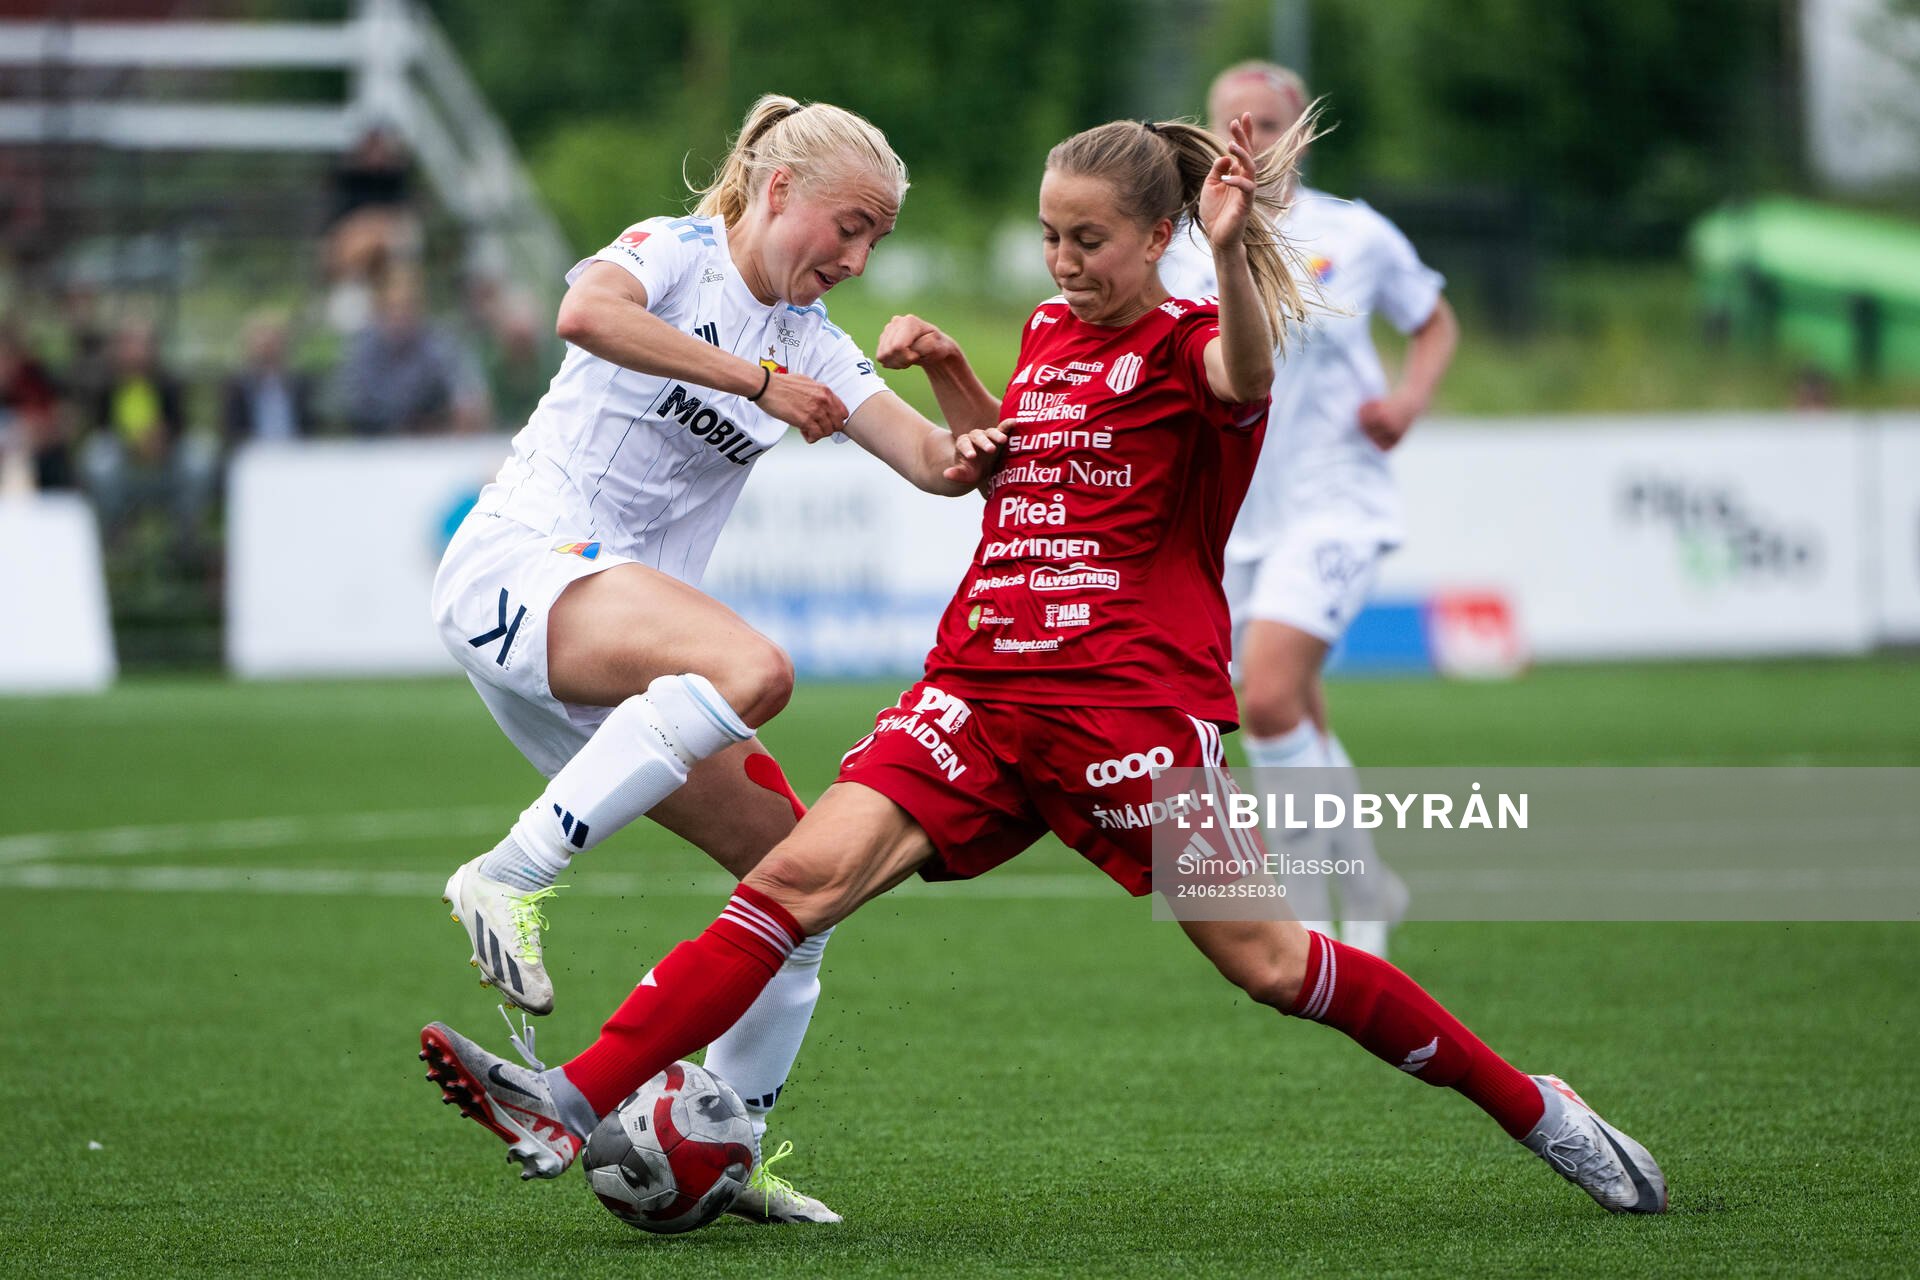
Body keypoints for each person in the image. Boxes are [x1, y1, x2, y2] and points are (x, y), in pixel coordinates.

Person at [419, 112, 1666, 1218]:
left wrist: (1231, 252)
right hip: (974, 688)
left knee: (1274, 963)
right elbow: (1011, 469)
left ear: (1161, 235)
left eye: (1089, 242)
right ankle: (568, 1098)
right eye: (1051, 239)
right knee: (792, 882)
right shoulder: (1048, 336)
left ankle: (1533, 1106)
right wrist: (957, 372)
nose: (1065, 265)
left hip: (1124, 705)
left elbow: (1248, 371)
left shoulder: (1193, 345)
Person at [424, 94, 1004, 1223]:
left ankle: (719, 1146)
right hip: (522, 569)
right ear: (776, 190)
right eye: (847, 225)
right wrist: (754, 385)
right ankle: (507, 874)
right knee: (754, 667)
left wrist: (945, 369)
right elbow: (585, 313)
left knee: (804, 885)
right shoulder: (676, 254)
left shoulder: (813, 338)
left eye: (876, 238)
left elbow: (943, 466)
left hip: (616, 652)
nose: (857, 255)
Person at [1158, 62, 1460, 959]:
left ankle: (1304, 912)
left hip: (1337, 501)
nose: (1246, 136)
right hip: (1235, 514)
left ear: (1300, 133)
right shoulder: (1183, 244)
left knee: (1272, 695)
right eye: (1228, 123)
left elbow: (1432, 321)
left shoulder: (1353, 234)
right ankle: (1369, 883)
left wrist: (1408, 401)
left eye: (1265, 122)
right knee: (1298, 712)